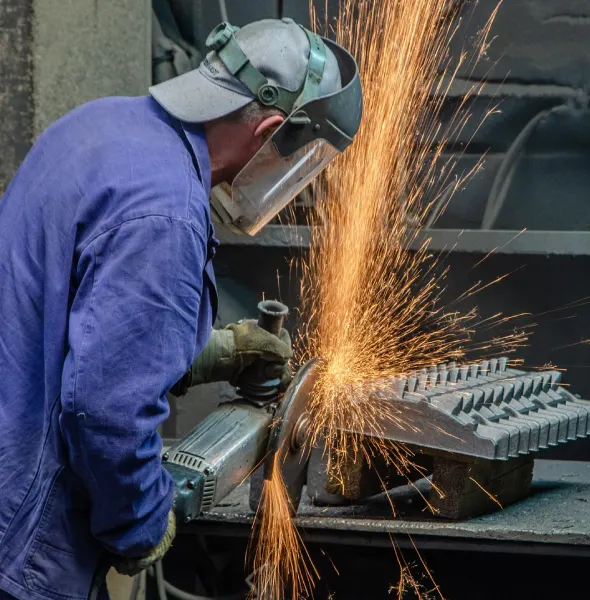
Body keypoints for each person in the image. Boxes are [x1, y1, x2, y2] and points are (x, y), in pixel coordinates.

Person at [0, 17, 362, 600]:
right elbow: (104, 411)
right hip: (20, 540)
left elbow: (76, 325)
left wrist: (219, 352)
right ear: (271, 130)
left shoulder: (102, 124)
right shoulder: (167, 213)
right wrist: (142, 524)